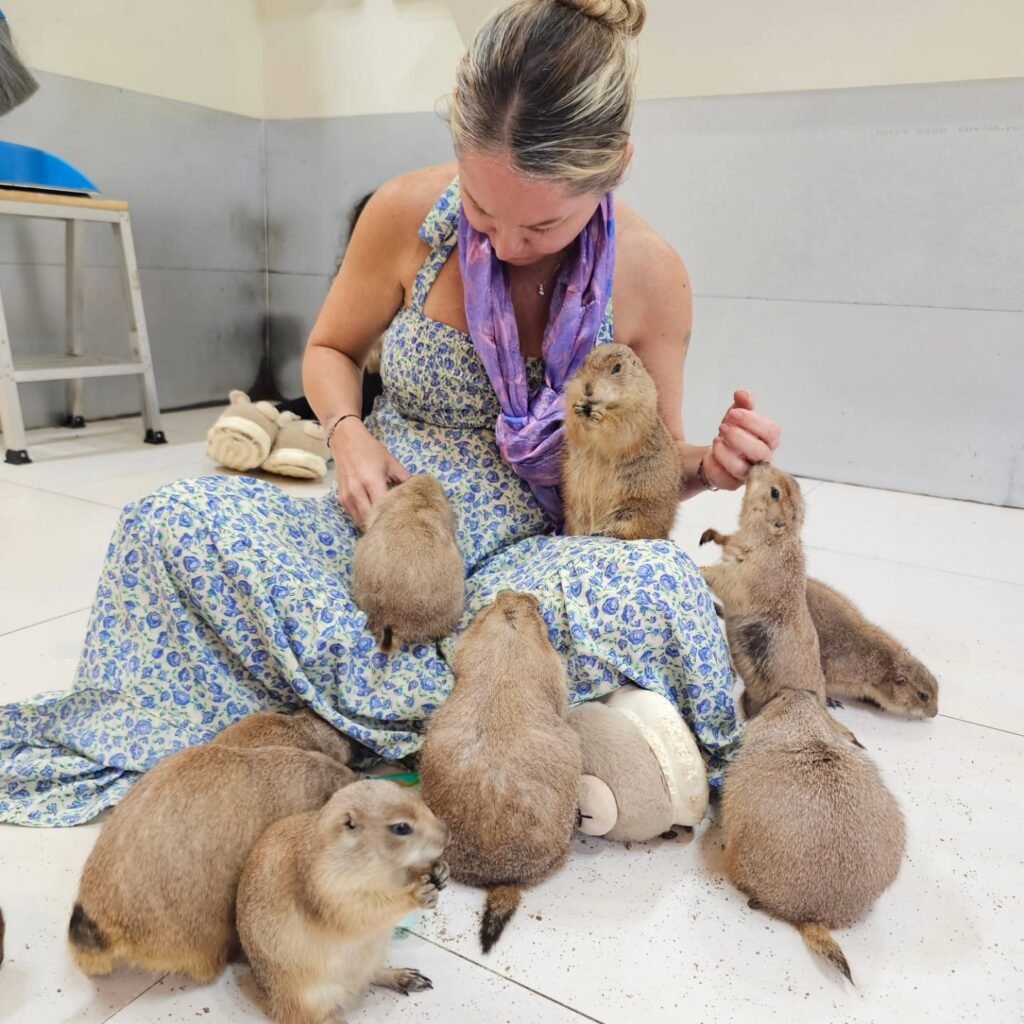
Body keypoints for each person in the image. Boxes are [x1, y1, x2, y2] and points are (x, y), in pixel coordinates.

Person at [0, 0, 780, 827]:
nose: (505, 245)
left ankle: (327, 709)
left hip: (529, 568)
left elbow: (645, 476)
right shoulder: (407, 214)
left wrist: (711, 465)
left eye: (542, 224)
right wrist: (348, 436)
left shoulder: (651, 277)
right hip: (377, 541)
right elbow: (329, 350)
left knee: (660, 585)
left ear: (615, 167)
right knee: (168, 524)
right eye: (482, 209)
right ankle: (488, 722)